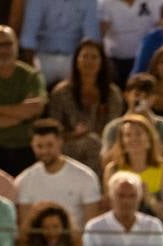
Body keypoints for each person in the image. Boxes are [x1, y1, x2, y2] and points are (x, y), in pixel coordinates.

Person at [0, 25, 47, 175]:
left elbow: (35, 108)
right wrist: (20, 116)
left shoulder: (32, 76)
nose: (2, 50)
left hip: (28, 148)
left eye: (7, 44)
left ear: (16, 45)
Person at [48, 39, 125, 174]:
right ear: (76, 61)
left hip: (103, 149)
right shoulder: (61, 92)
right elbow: (54, 129)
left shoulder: (112, 94)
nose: (89, 61)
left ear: (102, 62)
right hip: (68, 147)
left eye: (94, 57)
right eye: (84, 56)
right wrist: (73, 134)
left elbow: (114, 129)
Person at [14, 119, 105, 230]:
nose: (44, 151)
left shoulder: (86, 177)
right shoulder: (24, 180)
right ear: (32, 145)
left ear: (60, 142)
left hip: (74, 244)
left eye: (49, 145)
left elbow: (91, 227)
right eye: (39, 146)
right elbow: (26, 228)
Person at [82, 170, 163, 246]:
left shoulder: (153, 225)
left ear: (140, 198)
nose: (126, 201)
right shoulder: (94, 227)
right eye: (121, 195)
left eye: (132, 196)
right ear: (111, 197)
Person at [102, 113, 163, 226]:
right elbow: (108, 209)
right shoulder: (112, 169)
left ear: (149, 140)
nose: (133, 138)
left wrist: (148, 198)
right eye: (127, 135)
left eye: (138, 134)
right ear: (122, 142)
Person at [19, 0, 101, 87]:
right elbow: (28, 37)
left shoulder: (90, 2)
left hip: (73, 58)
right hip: (43, 57)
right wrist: (32, 70)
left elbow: (91, 38)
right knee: (33, 85)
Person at [102, 74, 163, 160]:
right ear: (126, 95)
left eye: (146, 96)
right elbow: (106, 160)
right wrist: (125, 129)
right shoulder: (114, 127)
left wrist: (148, 125)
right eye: (137, 95)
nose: (142, 100)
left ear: (154, 98)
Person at [100, 0, 161, 87]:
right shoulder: (105, 4)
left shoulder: (155, 2)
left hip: (148, 62)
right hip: (115, 63)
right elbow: (99, 35)